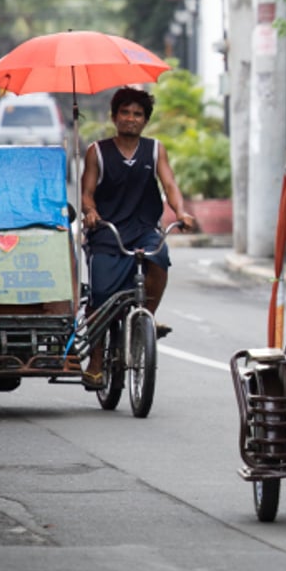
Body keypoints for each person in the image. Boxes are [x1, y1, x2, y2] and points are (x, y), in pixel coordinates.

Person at [79, 86, 195, 388]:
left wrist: (181, 212)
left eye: (137, 114)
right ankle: (96, 361)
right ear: (115, 117)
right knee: (100, 296)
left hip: (143, 227)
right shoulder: (97, 151)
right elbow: (87, 193)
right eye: (125, 113)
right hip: (108, 231)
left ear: (145, 120)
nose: (131, 119)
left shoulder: (155, 149)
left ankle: (147, 318)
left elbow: (169, 185)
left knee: (160, 258)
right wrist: (90, 212)